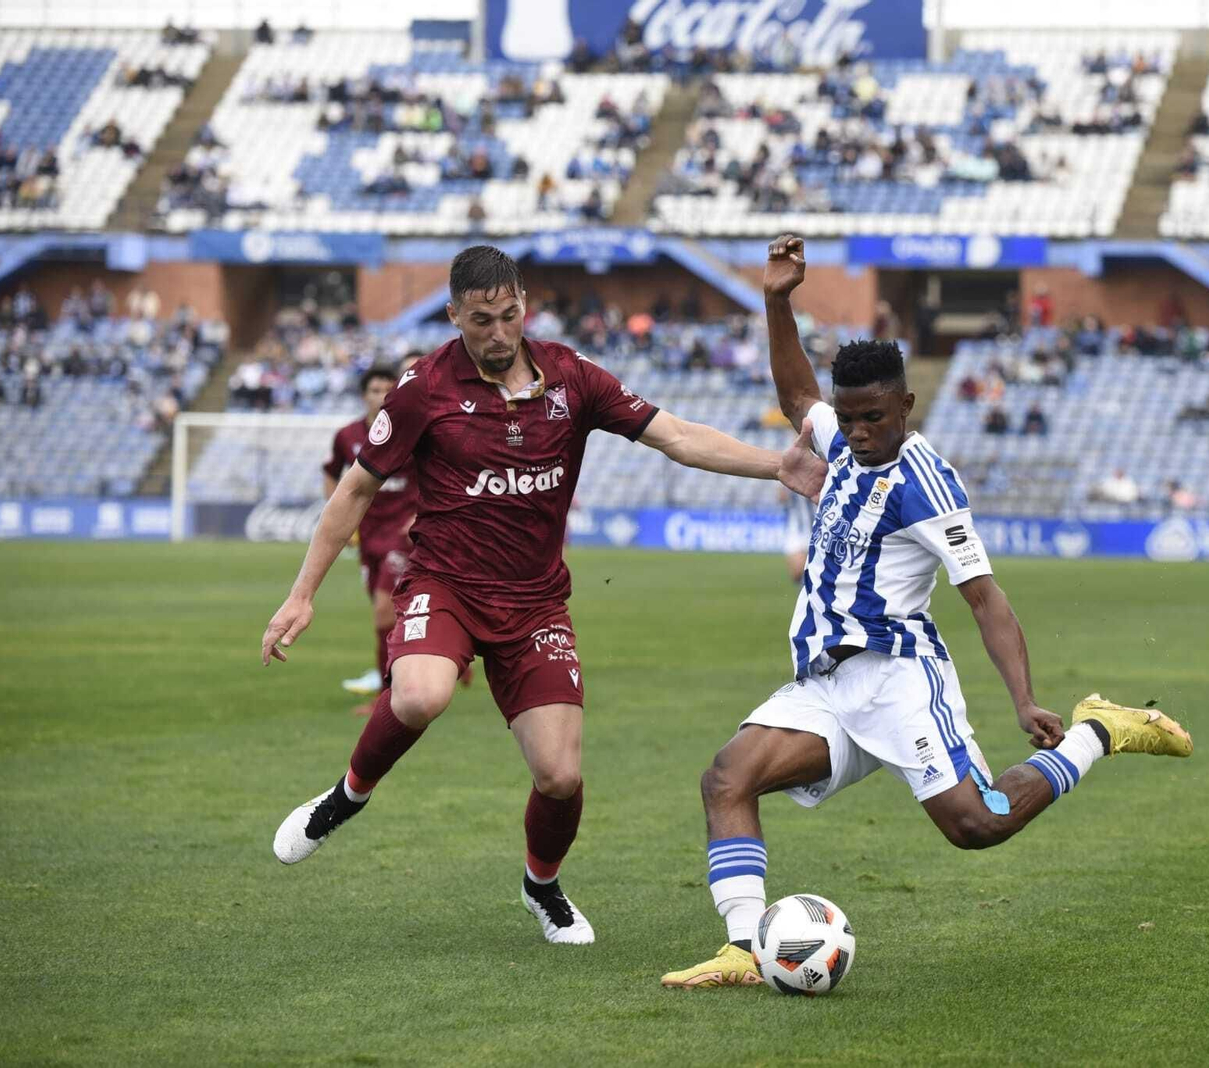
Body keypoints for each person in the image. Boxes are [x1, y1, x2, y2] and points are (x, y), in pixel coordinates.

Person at [659, 235, 1193, 988]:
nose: (858, 431)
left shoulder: (928, 487)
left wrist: (1022, 698)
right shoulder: (842, 438)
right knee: (726, 778)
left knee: (978, 824)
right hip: (826, 685)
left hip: (899, 678)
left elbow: (986, 599)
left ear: (906, 404)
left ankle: (1098, 731)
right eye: (849, 418)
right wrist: (777, 301)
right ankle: (745, 952)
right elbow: (794, 397)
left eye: (874, 416)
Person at [260, 246, 827, 945]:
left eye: (507, 316)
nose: (498, 334)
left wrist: (780, 463)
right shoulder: (422, 388)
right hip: (446, 585)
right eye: (480, 322)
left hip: (534, 606)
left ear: (523, 303)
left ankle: (542, 887)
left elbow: (674, 436)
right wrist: (301, 595)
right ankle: (344, 799)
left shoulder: (571, 377)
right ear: (453, 316)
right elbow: (355, 488)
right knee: (419, 695)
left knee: (559, 776)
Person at [322, 365, 416, 708]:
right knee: (393, 615)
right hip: (368, 536)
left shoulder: (410, 430)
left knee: (384, 613)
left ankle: (387, 697)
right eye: (374, 390)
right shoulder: (347, 435)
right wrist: (339, 518)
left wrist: (421, 514)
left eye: (386, 390)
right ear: (364, 394)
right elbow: (332, 474)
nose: (379, 396)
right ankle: (450, 659)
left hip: (402, 535)